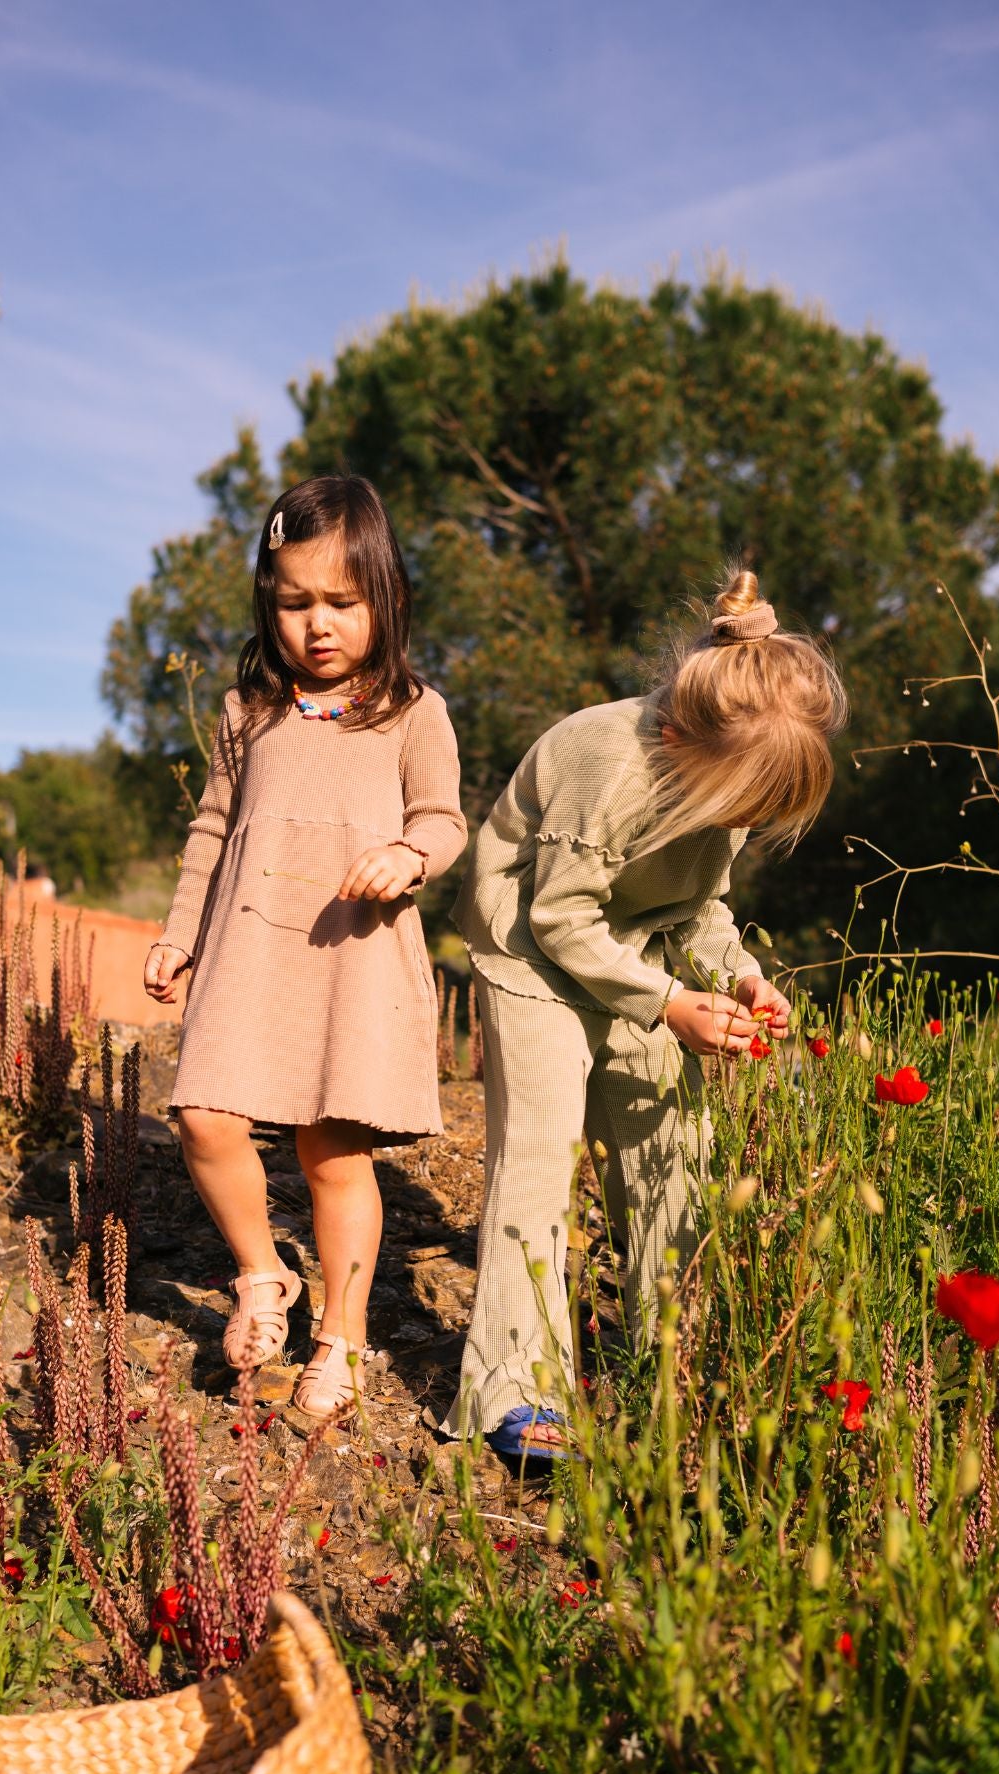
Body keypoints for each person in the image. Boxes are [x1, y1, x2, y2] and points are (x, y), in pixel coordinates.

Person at [445, 569, 847, 1459]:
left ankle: (670, 1358)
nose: (742, 821)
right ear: (677, 739)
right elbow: (558, 917)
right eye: (740, 805)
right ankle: (516, 1393)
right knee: (540, 1161)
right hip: (531, 950)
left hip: (637, 949)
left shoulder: (735, 766)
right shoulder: (610, 759)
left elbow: (698, 906)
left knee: (671, 1152)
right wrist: (669, 1004)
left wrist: (740, 977)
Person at [143, 476, 466, 1416]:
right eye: (293, 603)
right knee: (203, 1117)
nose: (317, 624)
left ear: (388, 599)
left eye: (341, 601)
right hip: (248, 952)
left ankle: (343, 1339)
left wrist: (408, 854)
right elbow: (210, 832)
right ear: (267, 603)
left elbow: (443, 820)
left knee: (331, 1154)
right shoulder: (248, 713)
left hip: (349, 961)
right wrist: (178, 935)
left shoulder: (414, 710)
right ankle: (261, 1275)